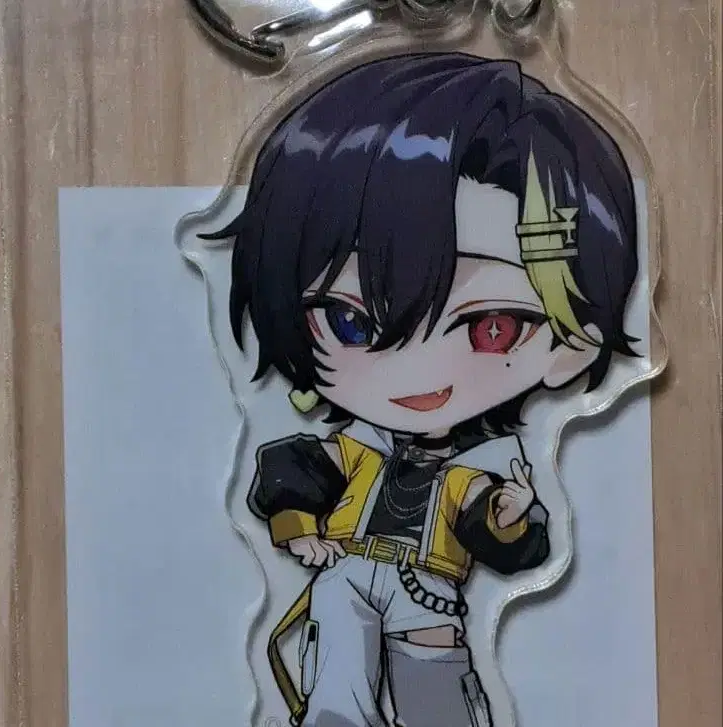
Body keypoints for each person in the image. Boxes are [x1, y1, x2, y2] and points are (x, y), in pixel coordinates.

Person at [202, 53, 638, 727]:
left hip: (428, 586)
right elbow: (289, 474)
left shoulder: (486, 468)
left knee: (437, 689)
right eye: (350, 321)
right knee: (336, 687)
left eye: (492, 327)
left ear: (569, 347)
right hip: (347, 570)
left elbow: (508, 542)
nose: (414, 369)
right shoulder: (352, 448)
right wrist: (298, 531)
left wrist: (508, 516)